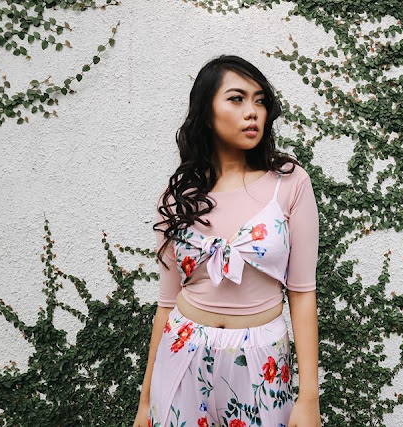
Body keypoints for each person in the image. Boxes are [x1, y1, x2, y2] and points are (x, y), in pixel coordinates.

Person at [133, 55, 321, 427]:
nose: (252, 112)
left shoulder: (290, 183)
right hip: (182, 352)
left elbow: (302, 293)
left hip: (260, 361)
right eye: (236, 99)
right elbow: (166, 304)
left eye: (260, 101)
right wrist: (144, 402)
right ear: (207, 113)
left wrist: (309, 397)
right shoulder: (179, 196)